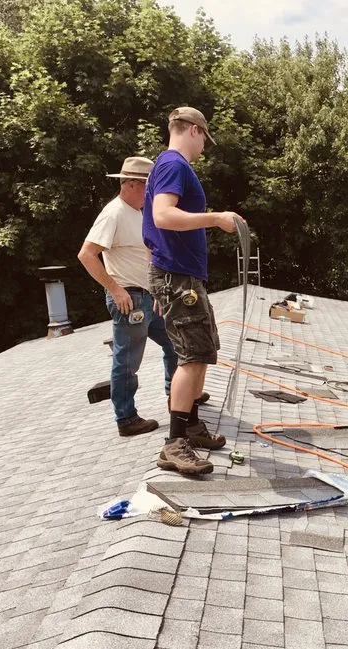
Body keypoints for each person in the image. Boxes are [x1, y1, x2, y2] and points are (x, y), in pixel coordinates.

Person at [144, 106, 243, 475]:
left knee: (201, 350)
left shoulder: (170, 166)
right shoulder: (173, 165)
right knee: (190, 356)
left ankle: (192, 426)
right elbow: (162, 217)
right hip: (177, 278)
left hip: (178, 276)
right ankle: (174, 443)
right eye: (205, 139)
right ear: (194, 131)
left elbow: (153, 233)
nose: (205, 147)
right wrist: (216, 219)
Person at [78, 156, 178, 437]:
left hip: (149, 296)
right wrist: (115, 289)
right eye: (150, 187)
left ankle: (177, 398)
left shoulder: (139, 212)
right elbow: (86, 255)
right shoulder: (114, 214)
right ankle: (126, 419)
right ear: (131, 185)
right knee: (127, 362)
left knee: (175, 343)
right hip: (130, 299)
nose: (154, 193)